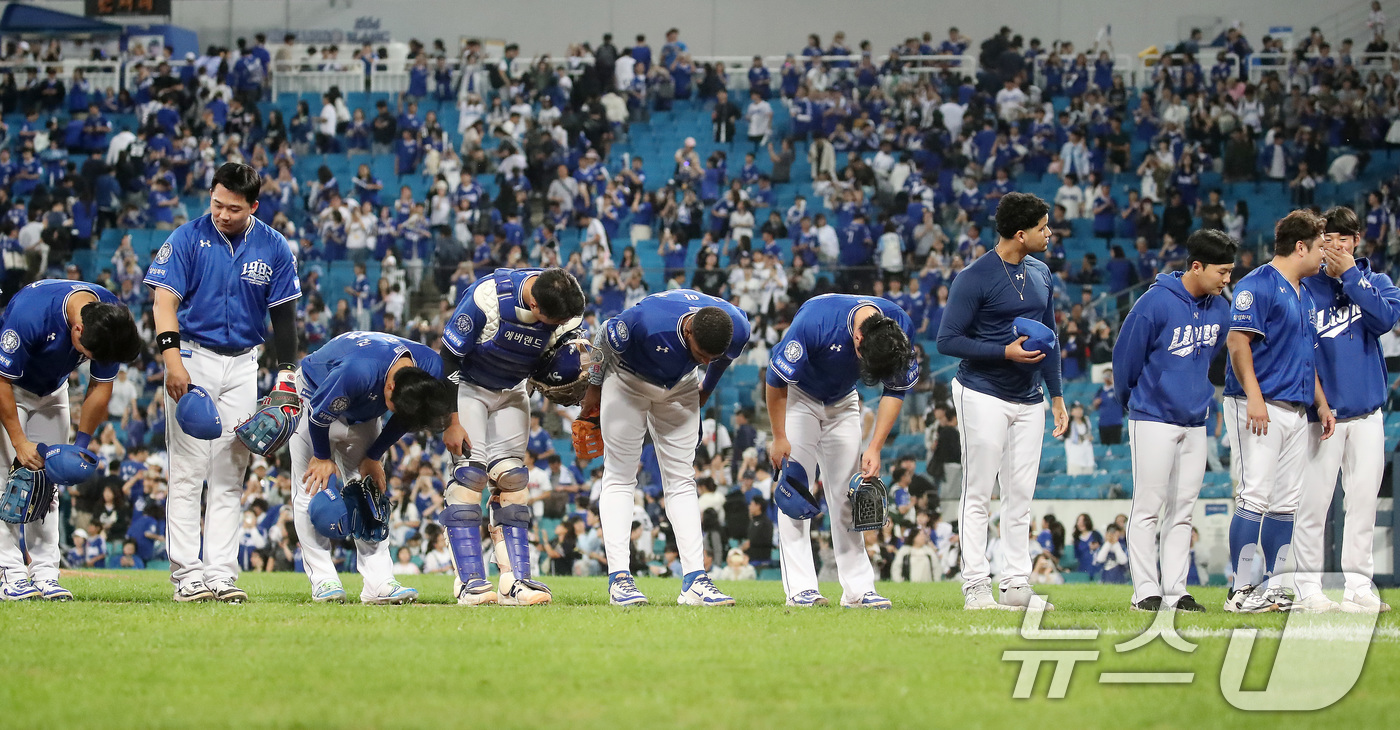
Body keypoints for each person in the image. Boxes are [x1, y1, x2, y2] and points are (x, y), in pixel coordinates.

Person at [145, 162, 302, 603]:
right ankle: (186, 574)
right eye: (216, 203)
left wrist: (286, 372)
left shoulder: (273, 245)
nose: (222, 214)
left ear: (253, 206)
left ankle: (220, 574)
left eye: (233, 208)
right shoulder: (186, 237)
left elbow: (284, 317)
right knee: (189, 470)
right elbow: (163, 302)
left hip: (244, 365)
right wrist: (172, 361)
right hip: (193, 357)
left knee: (231, 471)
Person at [581, 290, 750, 606]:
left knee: (682, 480)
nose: (707, 361)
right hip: (628, 379)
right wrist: (593, 387)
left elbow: (720, 357)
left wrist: (705, 389)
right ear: (688, 330)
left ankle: (695, 581)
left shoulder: (735, 326)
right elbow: (604, 335)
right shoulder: (646, 322)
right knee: (619, 475)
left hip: (681, 385)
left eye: (713, 356)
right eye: (702, 353)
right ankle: (620, 579)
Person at [438, 267, 586, 606]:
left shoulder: (559, 301)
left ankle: (514, 580)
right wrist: (451, 420)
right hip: (469, 388)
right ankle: (469, 581)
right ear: (535, 305)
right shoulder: (485, 299)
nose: (558, 325)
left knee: (513, 479)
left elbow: (566, 347)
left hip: (514, 390)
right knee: (469, 478)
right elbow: (446, 359)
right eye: (553, 320)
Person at [766, 293, 916, 608]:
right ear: (858, 337)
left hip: (845, 401)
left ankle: (859, 590)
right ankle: (801, 589)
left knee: (849, 496)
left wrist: (874, 446)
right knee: (795, 491)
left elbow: (896, 388)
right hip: (798, 398)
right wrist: (779, 436)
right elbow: (775, 378)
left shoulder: (899, 325)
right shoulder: (816, 321)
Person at [1112, 229, 1235, 612]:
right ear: (1196, 266)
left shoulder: (1220, 307)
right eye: (1222, 271)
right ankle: (1145, 591)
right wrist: (1135, 402)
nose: (1227, 279)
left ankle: (1175, 590)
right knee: (1148, 507)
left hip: (1195, 421)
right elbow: (1124, 359)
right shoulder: (1155, 303)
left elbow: (1211, 356)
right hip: (1153, 418)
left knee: (1183, 510)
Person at [0, 280, 141, 600]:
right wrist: (20, 441)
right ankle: (8, 572)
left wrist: (81, 443)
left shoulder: (108, 318)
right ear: (77, 329)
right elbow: (2, 381)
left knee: (48, 485)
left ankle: (46, 572)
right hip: (10, 389)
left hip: (52, 392)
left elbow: (101, 387)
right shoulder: (31, 313)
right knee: (8, 483)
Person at [1223, 210, 1333, 613]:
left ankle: (1272, 587)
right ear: (1300, 246)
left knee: (1286, 502)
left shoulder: (1303, 292)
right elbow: (1237, 342)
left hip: (1295, 406)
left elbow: (1305, 355)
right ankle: (1241, 590)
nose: (1324, 254)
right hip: (1260, 404)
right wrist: (1253, 395)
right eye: (1320, 246)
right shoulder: (1258, 284)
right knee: (1254, 495)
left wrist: (1320, 403)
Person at [292, 331, 454, 604]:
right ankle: (323, 580)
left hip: (364, 408)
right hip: (314, 397)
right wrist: (321, 457)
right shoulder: (357, 372)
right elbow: (319, 415)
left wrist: (374, 455)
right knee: (311, 489)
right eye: (394, 406)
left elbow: (406, 417)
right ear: (389, 387)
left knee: (369, 493)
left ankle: (379, 583)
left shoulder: (429, 369)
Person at [1295, 207, 1400, 613]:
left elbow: (1386, 319)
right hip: (1321, 416)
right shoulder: (1306, 286)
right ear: (1320, 242)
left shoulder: (1377, 282)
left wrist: (1351, 277)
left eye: (1344, 239)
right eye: (1330, 239)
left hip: (1368, 414)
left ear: (1357, 241)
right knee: (1314, 504)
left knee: (1362, 503)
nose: (1337, 245)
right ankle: (1307, 586)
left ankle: (1358, 586)